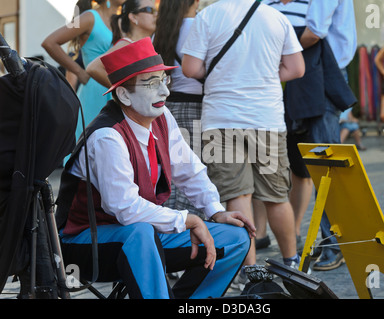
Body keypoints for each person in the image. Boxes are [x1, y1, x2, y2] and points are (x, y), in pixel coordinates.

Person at [56, 37, 255, 299]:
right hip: (85, 245)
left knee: (236, 238)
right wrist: (186, 219)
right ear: (124, 94)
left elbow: (190, 169)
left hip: (140, 236)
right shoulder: (107, 137)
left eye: (165, 80)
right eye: (152, 83)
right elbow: (125, 208)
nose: (165, 92)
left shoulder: (162, 116)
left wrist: (215, 211)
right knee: (140, 232)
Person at [181, 0, 305, 289]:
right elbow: (297, 68)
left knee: (238, 196)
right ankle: (292, 264)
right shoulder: (276, 17)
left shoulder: (207, 16)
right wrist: (264, 77)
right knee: (276, 196)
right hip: (267, 121)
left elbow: (189, 68)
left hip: (221, 120)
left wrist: (222, 76)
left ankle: (251, 273)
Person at [297, 0, 358, 271]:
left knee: (325, 163)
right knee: (323, 162)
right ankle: (335, 241)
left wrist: (277, 46)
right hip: (319, 71)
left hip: (323, 72)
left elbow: (314, 31)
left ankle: (336, 243)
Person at [255, 0, 313, 252]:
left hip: (302, 91)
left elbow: (318, 35)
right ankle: (259, 231)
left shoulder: (310, 5)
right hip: (265, 96)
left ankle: (296, 228)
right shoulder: (263, 6)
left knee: (300, 167)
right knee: (258, 165)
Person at [42, 0, 126, 141]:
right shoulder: (89, 17)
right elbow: (50, 42)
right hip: (94, 91)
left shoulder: (123, 20)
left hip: (117, 90)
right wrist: (79, 71)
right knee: (89, 145)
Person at [152, 0, 204, 218]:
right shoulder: (201, 26)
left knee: (171, 171)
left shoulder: (160, 32)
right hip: (197, 108)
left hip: (168, 107)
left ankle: (169, 223)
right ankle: (190, 229)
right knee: (192, 173)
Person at [86, 0, 158, 89]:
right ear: (133, 17)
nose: (156, 15)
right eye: (149, 10)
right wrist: (128, 93)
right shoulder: (127, 44)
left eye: (156, 11)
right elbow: (93, 68)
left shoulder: (139, 44)